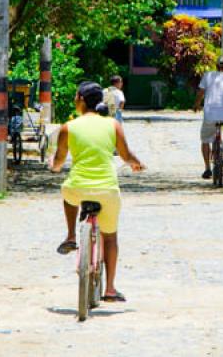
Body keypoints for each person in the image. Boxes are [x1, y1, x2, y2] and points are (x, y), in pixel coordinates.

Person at [49, 81, 144, 302]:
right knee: (110, 238)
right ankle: (110, 289)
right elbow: (126, 155)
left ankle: (72, 235)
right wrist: (137, 164)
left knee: (67, 194)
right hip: (107, 190)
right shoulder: (113, 125)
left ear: (81, 99)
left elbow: (59, 160)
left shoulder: (68, 127)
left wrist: (53, 166)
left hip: (77, 188)